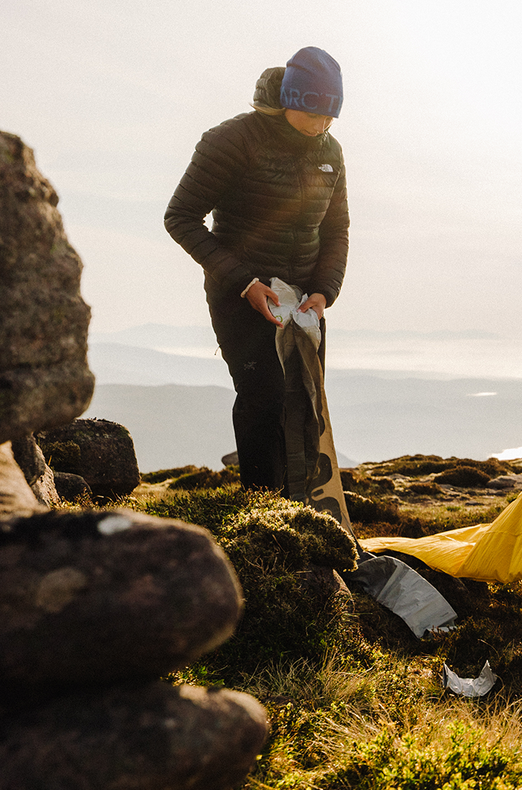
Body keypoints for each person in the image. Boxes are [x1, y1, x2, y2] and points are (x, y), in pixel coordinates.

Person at [164, 46, 349, 493]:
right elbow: (181, 217)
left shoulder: (331, 151)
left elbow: (337, 229)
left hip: (305, 300)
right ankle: (262, 508)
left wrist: (325, 290)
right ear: (290, 101)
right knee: (264, 399)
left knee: (306, 402)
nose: (322, 126)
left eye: (332, 117)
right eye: (314, 115)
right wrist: (245, 282)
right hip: (242, 294)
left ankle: (305, 508)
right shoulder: (231, 141)